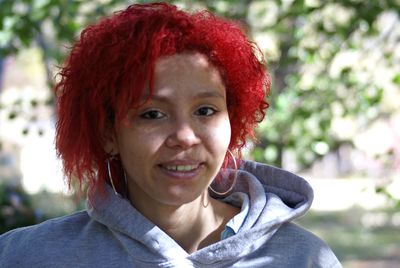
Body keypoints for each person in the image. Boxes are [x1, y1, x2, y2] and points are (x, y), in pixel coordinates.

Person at [0, 2, 341, 267]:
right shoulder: (25, 257)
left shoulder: (305, 259)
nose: (185, 136)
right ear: (108, 134)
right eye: (152, 114)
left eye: (205, 111)